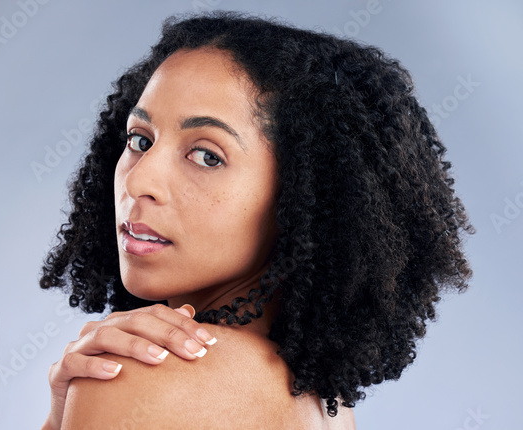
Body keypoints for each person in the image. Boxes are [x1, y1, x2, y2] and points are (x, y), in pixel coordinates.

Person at [37, 11, 475, 429]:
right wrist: (60, 418)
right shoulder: (327, 404)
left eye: (207, 155)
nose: (139, 180)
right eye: (140, 139)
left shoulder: (142, 374)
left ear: (303, 197)